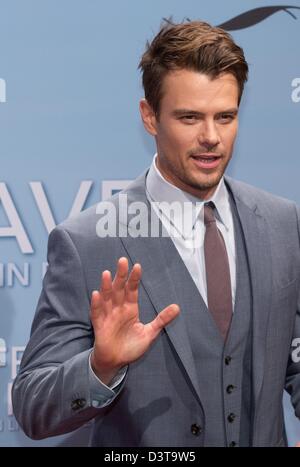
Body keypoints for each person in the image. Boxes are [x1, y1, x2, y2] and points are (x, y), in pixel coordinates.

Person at [12, 19, 300, 448]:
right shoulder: (89, 242)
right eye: (189, 117)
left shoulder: (282, 223)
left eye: (226, 117)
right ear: (149, 117)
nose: (211, 138)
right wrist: (100, 367)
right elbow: (33, 405)